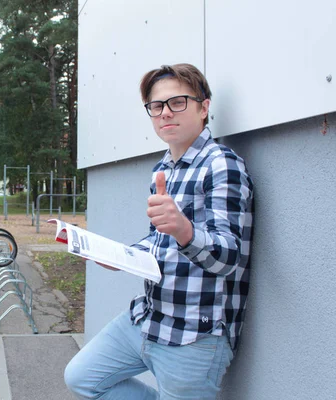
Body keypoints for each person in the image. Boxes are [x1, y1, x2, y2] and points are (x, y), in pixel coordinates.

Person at [64, 63, 254, 399]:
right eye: (156, 106)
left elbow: (230, 258)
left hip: (195, 334)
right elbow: (158, 240)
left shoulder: (222, 164)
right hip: (148, 318)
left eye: (177, 102)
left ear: (204, 107)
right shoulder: (162, 169)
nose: (165, 112)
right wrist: (120, 257)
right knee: (82, 377)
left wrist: (185, 230)